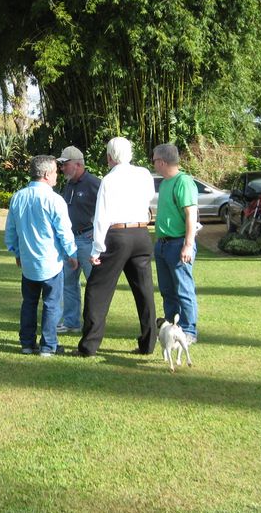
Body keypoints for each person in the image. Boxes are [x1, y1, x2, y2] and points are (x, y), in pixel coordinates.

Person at [76, 137, 157, 357]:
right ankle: (148, 343)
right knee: (144, 291)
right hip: (141, 233)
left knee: (97, 290)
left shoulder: (109, 180)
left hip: (117, 235)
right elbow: (149, 198)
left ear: (110, 156)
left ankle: (89, 346)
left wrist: (96, 249)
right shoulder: (144, 174)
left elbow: (101, 216)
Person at [4, 155, 79, 356]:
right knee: (52, 305)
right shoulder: (54, 200)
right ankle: (48, 345)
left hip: (28, 262)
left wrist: (16, 252)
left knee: (29, 303)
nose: (57, 175)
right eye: (55, 172)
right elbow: (64, 232)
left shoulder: (18, 197)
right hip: (50, 263)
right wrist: (72, 253)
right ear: (46, 174)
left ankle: (27, 344)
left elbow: (11, 231)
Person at [151, 143, 199, 343]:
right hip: (163, 244)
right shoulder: (165, 183)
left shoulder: (183, 181)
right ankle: (171, 327)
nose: (153, 163)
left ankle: (188, 331)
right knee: (167, 290)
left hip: (178, 244)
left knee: (183, 289)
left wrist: (188, 244)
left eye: (154, 160)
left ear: (162, 162)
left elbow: (191, 215)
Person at [55, 145, 101, 335]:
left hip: (88, 240)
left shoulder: (94, 183)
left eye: (65, 164)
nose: (62, 168)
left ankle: (95, 325)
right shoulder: (69, 184)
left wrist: (97, 231)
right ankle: (72, 322)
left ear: (78, 164)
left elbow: (107, 209)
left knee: (94, 284)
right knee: (69, 282)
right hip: (70, 240)